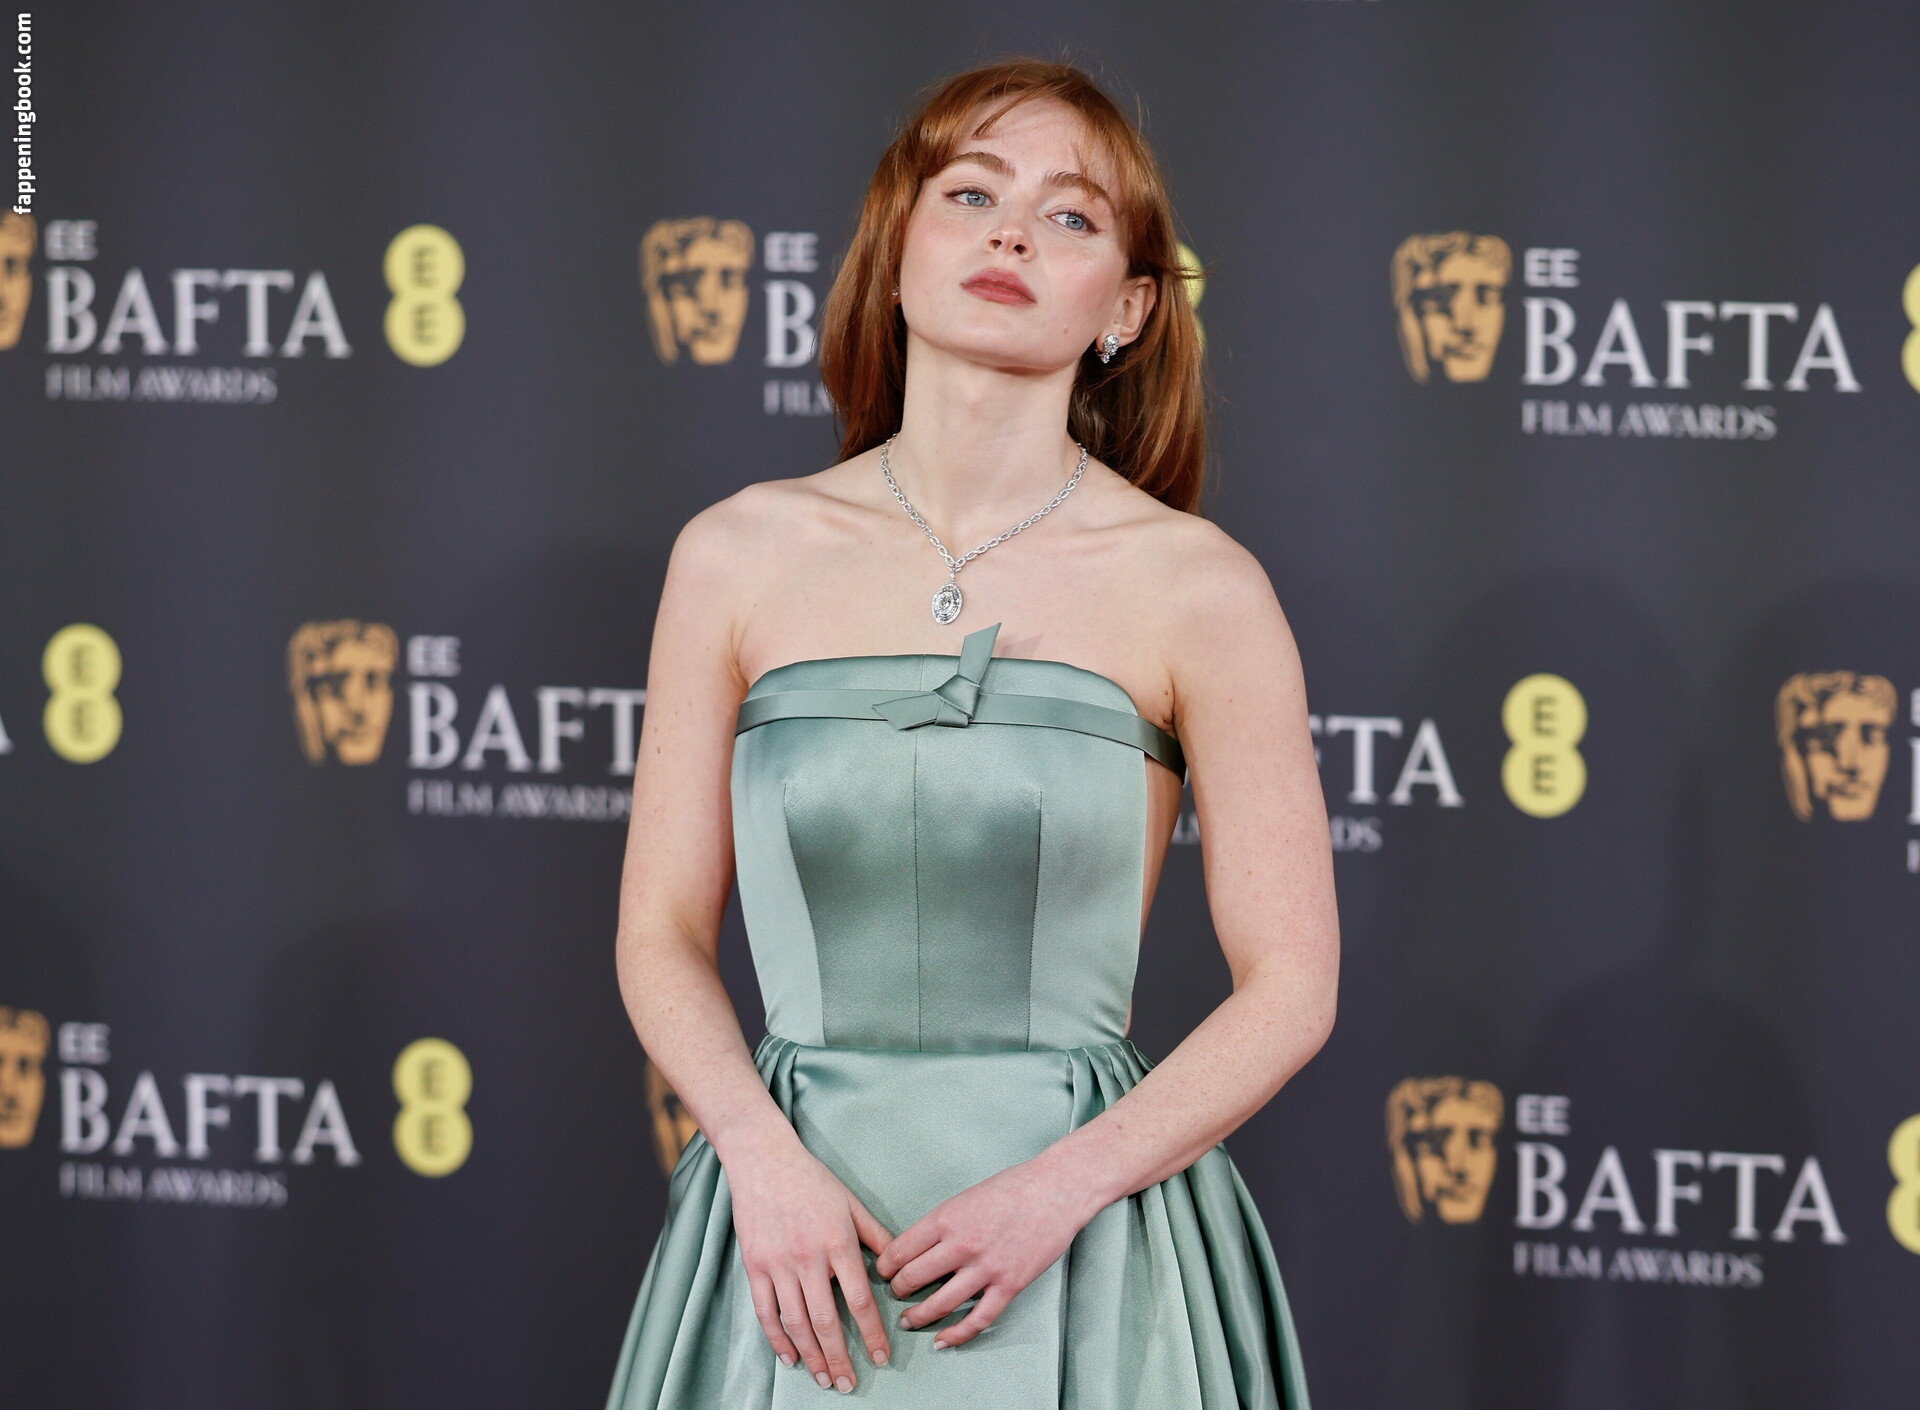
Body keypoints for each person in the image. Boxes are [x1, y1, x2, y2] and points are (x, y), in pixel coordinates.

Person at [606, 58, 1338, 1408]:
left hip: (1087, 1249)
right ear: (897, 248)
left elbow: (1293, 983)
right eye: (971, 194)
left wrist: (1059, 1190)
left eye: (1070, 215)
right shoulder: (735, 555)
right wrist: (759, 1162)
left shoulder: (1201, 587)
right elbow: (658, 931)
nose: (1011, 235)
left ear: (1128, 306)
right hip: (794, 1240)